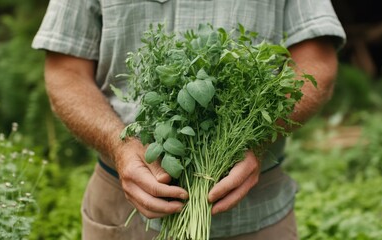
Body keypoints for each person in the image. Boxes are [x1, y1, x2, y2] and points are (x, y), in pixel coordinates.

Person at [32, 0, 345, 239]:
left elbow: (315, 60)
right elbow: (66, 70)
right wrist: (120, 143)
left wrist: (257, 138)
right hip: (122, 210)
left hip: (257, 214)